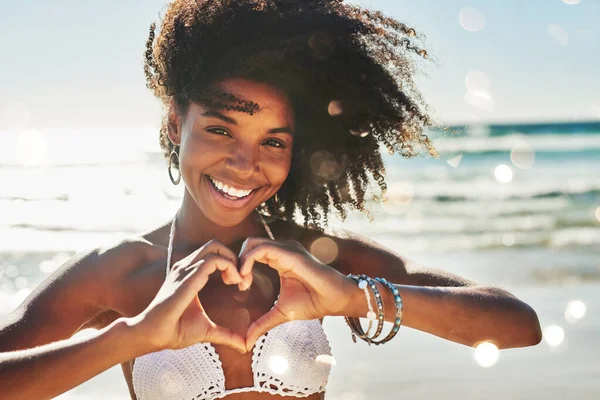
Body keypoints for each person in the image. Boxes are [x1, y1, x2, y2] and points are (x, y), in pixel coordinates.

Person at [0, 1, 542, 399]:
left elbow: (518, 326)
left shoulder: (319, 259)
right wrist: (133, 337)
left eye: (274, 141)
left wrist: (354, 298)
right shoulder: (121, 272)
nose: (245, 164)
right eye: (220, 130)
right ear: (175, 122)